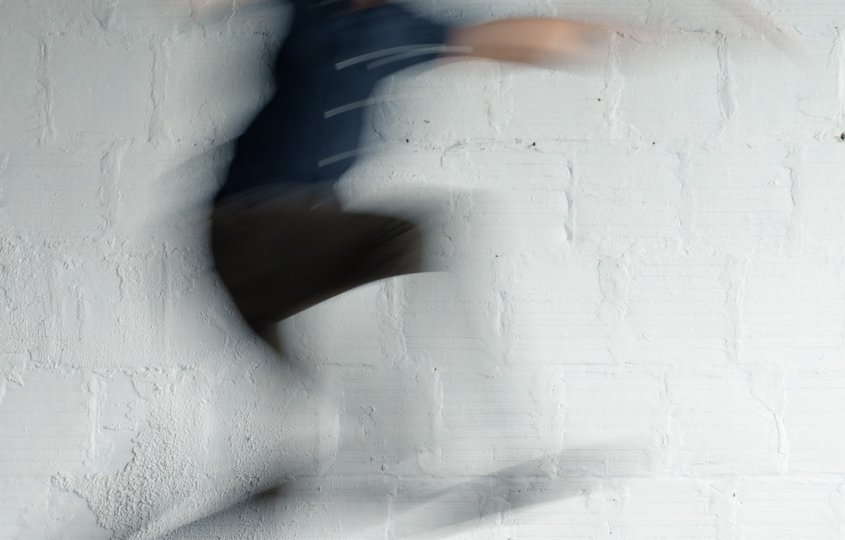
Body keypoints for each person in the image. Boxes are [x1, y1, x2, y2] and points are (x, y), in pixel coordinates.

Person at [207, 0, 611, 368]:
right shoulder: (313, 8)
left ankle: (383, 433)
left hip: (300, 250)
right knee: (400, 236)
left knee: (335, 389)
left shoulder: (394, 27)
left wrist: (588, 34)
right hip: (250, 230)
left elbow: (487, 39)